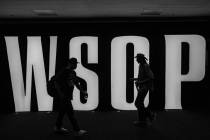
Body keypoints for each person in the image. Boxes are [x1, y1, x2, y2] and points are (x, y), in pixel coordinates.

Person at [53, 58, 88, 136]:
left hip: (68, 96)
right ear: (70, 63)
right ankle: (77, 130)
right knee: (70, 113)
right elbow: (55, 82)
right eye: (74, 63)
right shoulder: (64, 71)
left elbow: (76, 84)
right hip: (64, 96)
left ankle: (57, 127)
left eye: (76, 64)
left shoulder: (73, 72)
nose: (76, 65)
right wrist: (60, 94)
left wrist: (83, 91)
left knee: (62, 113)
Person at [132, 53, 156, 126]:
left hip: (145, 87)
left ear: (140, 59)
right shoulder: (141, 65)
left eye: (137, 58)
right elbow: (143, 77)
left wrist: (139, 81)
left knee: (138, 103)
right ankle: (145, 119)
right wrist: (135, 79)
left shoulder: (145, 66)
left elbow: (151, 78)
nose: (136, 59)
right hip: (142, 87)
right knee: (139, 103)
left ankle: (147, 117)